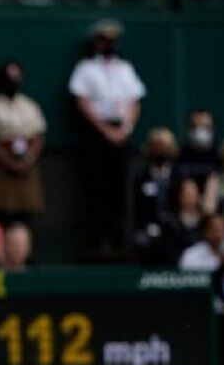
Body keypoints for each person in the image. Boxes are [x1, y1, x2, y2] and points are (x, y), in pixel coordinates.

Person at [68, 18, 146, 258]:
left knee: (118, 187)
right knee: (97, 187)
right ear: (97, 42)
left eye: (112, 41)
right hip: (97, 134)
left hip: (122, 132)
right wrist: (105, 130)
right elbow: (82, 101)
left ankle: (119, 241)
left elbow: (135, 101)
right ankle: (98, 242)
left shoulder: (125, 68)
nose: (109, 45)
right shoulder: (86, 68)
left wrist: (126, 128)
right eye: (105, 40)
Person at [0, 60, 47, 225]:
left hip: (27, 162)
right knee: (4, 211)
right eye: (9, 78)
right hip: (4, 163)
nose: (13, 82)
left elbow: (39, 135)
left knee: (27, 209)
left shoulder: (29, 104)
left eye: (16, 78)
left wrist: (29, 159)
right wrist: (8, 162)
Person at [131, 127, 179, 265]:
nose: (160, 151)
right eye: (157, 147)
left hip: (174, 225)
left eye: (164, 147)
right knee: (142, 241)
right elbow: (138, 207)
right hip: (148, 226)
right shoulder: (141, 176)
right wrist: (148, 226)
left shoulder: (178, 175)